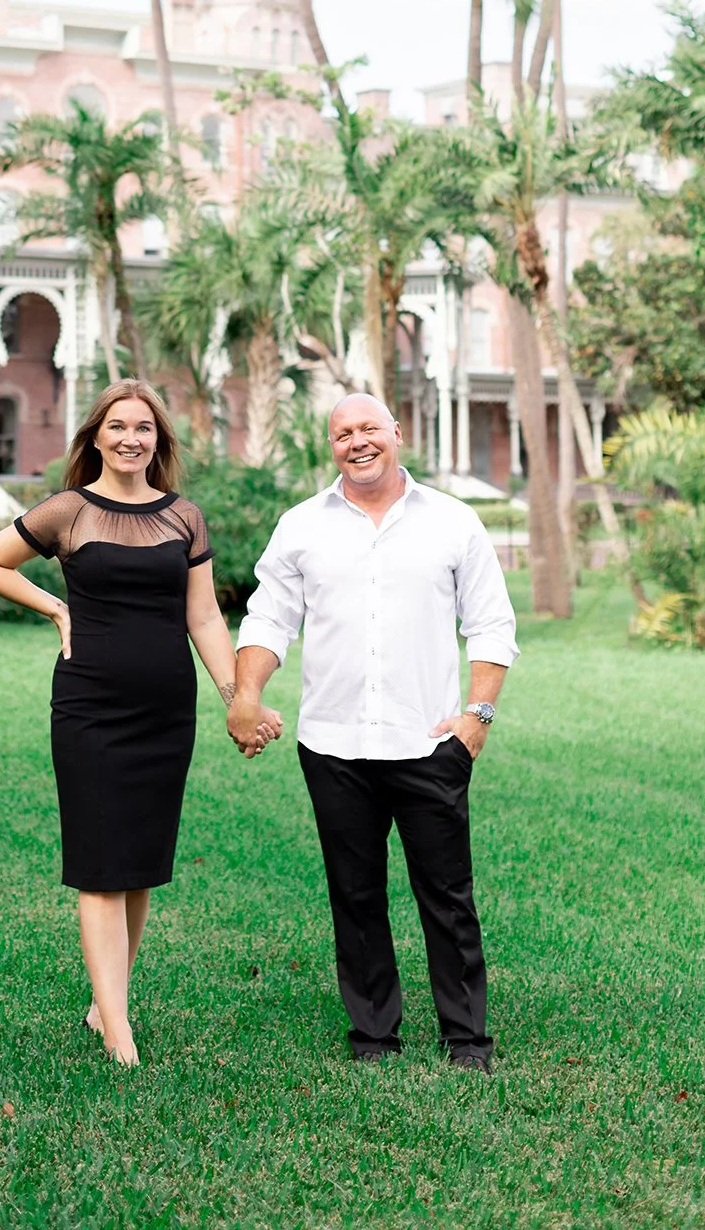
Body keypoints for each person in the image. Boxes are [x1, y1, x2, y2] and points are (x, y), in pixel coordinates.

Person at [0, 379, 279, 1066]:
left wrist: (235, 696)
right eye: (118, 426)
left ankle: (104, 1002)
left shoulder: (183, 517)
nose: (131, 438)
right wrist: (55, 609)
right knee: (101, 866)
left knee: (139, 866)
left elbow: (202, 616)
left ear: (158, 441)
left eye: (144, 428)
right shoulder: (68, 511)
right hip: (89, 707)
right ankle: (118, 1030)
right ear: (96, 436)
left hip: (165, 710)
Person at [227, 393, 517, 1070]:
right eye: (341, 434)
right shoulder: (301, 527)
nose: (357, 442)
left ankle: (466, 1037)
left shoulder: (452, 522)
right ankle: (373, 1035)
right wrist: (247, 694)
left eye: (368, 430)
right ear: (331, 446)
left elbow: (492, 623)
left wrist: (476, 716)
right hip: (332, 745)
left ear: (397, 434)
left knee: (447, 896)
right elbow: (269, 620)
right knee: (353, 894)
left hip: (430, 741)